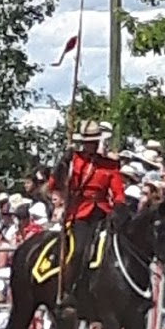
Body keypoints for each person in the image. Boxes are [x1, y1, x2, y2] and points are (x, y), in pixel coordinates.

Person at [48, 119, 125, 309]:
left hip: (102, 212)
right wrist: (62, 164)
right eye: (88, 141)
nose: (92, 144)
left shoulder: (110, 165)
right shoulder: (74, 161)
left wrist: (118, 208)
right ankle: (69, 290)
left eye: (95, 140)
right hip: (79, 213)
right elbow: (54, 185)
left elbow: (118, 193)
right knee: (79, 250)